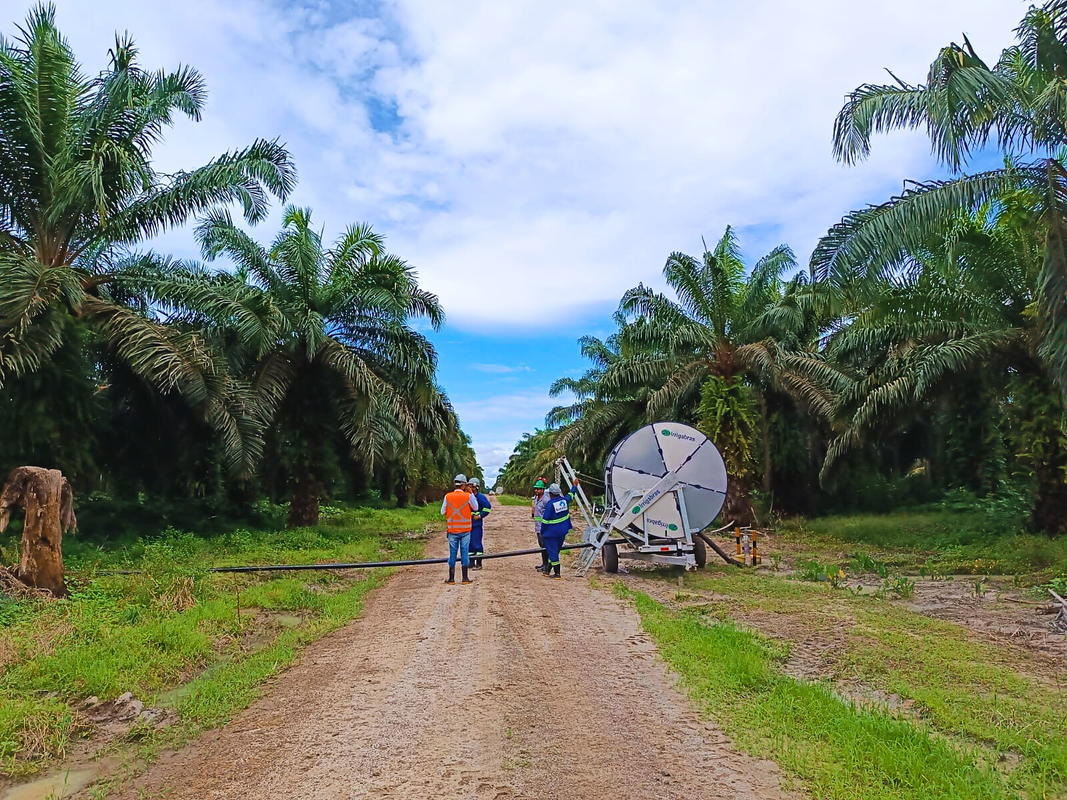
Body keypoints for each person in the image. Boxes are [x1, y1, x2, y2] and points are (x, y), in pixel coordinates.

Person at [440, 474, 479, 585]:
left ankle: (451, 579)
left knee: (452, 554)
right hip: (465, 530)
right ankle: (465, 578)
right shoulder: (468, 496)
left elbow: (442, 512)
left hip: (452, 531)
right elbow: (475, 507)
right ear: (464, 485)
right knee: (464, 552)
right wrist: (471, 494)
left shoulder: (448, 496)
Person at [540, 483, 575, 579]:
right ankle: (547, 571)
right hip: (562, 532)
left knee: (552, 552)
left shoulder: (550, 505)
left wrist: (542, 532)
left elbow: (545, 520)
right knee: (555, 551)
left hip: (551, 533)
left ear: (550, 494)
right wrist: (574, 486)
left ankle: (557, 574)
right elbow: (571, 495)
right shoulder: (564, 500)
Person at [468, 478, 491, 569]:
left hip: (476, 524)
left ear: (476, 487)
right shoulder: (468, 496)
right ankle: (471, 562)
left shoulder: (480, 498)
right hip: (468, 524)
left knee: (476, 543)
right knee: (469, 544)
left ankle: (479, 563)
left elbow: (488, 507)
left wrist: (480, 515)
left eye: (471, 486)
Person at [531, 478, 550, 573]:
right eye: (536, 489)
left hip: (544, 527)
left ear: (543, 490)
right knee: (541, 546)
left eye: (538, 489)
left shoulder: (546, 500)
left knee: (545, 547)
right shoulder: (536, 499)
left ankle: (546, 565)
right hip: (538, 527)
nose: (536, 490)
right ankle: (543, 564)